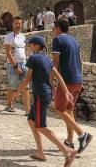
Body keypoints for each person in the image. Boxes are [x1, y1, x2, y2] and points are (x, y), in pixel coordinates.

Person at [17, 35, 77, 166]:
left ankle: (67, 151)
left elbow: (27, 79)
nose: (28, 46)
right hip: (47, 94)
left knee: (41, 126)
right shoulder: (47, 59)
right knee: (32, 121)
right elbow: (58, 75)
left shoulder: (33, 58)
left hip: (40, 96)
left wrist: (17, 91)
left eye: (30, 44)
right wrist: (66, 91)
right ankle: (40, 153)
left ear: (36, 46)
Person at [52, 19, 93, 154]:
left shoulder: (57, 40)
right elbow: (80, 61)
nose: (53, 30)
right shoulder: (74, 41)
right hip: (77, 80)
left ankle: (82, 134)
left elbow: (55, 62)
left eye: (54, 27)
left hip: (67, 81)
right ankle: (69, 141)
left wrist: (51, 78)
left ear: (58, 28)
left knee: (58, 109)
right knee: (68, 110)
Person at [3, 16, 30, 113]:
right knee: (13, 87)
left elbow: (24, 50)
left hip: (24, 64)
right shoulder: (9, 37)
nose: (18, 25)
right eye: (16, 23)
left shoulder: (23, 36)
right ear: (12, 25)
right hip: (13, 65)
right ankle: (9, 105)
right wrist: (15, 67)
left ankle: (28, 110)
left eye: (19, 23)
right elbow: (8, 53)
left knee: (26, 87)